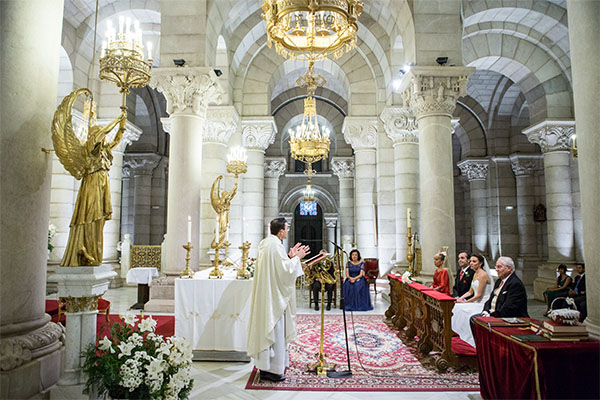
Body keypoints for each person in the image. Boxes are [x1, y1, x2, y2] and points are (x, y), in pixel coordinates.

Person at [56, 90, 127, 266]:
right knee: (90, 215)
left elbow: (117, 140)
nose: (103, 138)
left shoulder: (104, 151)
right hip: (93, 184)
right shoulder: (90, 149)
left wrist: (122, 126)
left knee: (100, 219)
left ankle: (94, 250)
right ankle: (82, 248)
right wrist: (117, 119)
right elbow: (100, 134)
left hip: (103, 184)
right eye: (100, 135)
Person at [246, 217, 310, 382]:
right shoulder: (275, 246)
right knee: (276, 331)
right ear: (281, 230)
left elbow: (278, 268)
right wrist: (298, 258)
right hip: (274, 299)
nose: (288, 230)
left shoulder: (266, 243)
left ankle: (265, 366)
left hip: (268, 294)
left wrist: (289, 256)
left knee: (268, 329)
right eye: (287, 228)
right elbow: (285, 271)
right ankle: (273, 371)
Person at [451, 254, 494, 347]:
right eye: (470, 261)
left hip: (482, 302)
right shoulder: (475, 273)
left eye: (474, 261)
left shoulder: (483, 275)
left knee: (464, 310)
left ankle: (469, 337)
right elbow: (470, 291)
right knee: (457, 307)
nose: (471, 263)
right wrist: (460, 298)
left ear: (481, 263)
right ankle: (458, 334)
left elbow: (479, 295)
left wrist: (466, 302)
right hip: (475, 300)